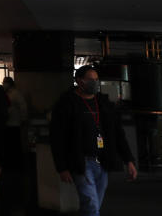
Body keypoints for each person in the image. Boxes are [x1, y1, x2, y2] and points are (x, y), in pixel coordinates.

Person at [50, 65, 138, 216]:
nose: (95, 83)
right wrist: (62, 167)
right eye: (91, 80)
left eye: (97, 80)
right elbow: (57, 137)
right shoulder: (67, 104)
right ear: (79, 81)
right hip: (82, 162)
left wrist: (128, 160)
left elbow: (118, 134)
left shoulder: (103, 104)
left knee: (93, 205)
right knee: (91, 206)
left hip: (102, 162)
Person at [1, 76, 28, 168]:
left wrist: (23, 119)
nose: (3, 84)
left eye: (5, 82)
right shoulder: (7, 93)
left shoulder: (15, 94)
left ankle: (15, 162)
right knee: (11, 143)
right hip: (9, 122)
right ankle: (13, 162)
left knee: (15, 143)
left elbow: (23, 107)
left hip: (14, 122)